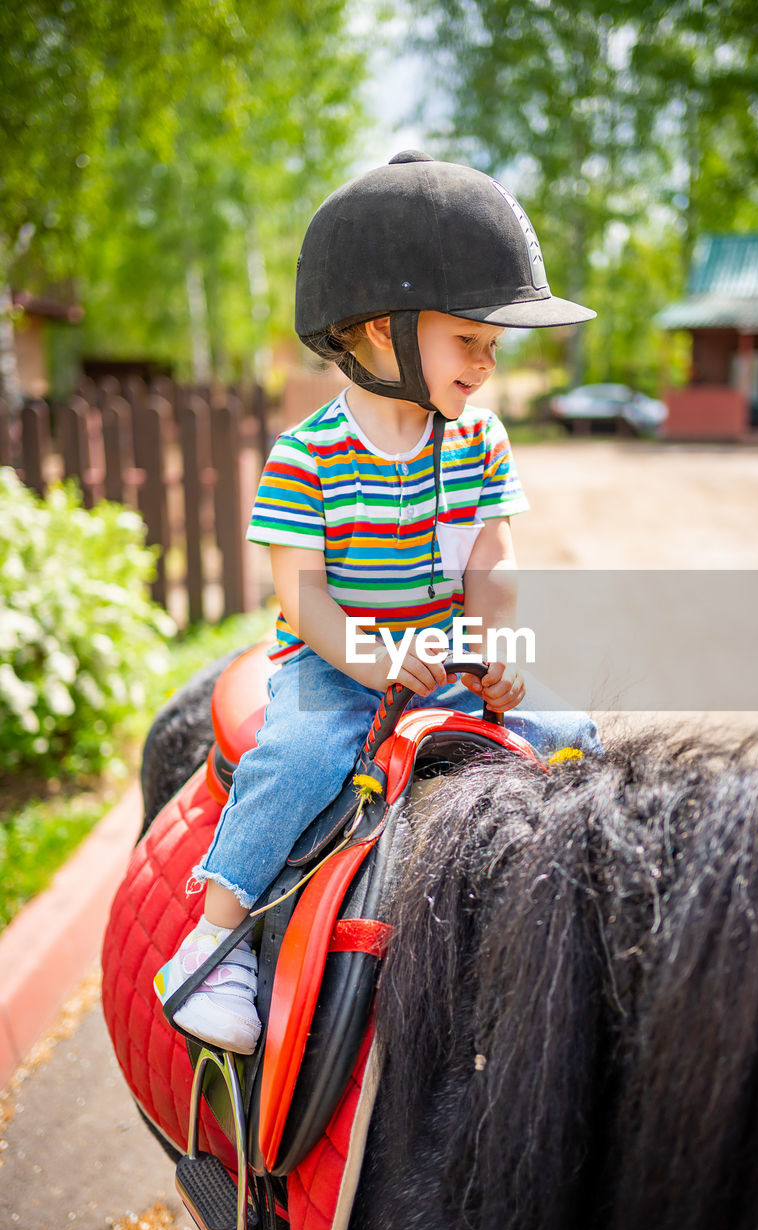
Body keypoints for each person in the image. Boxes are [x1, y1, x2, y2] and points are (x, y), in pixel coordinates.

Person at [154, 150, 601, 1054]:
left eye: (491, 347)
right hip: (337, 665)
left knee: (573, 736)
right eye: (467, 340)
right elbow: (304, 596)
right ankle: (215, 937)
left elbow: (490, 552)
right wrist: (375, 660)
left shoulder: (478, 437)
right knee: (300, 758)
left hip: (445, 656)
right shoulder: (309, 455)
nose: (484, 365)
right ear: (374, 330)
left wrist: (493, 644)